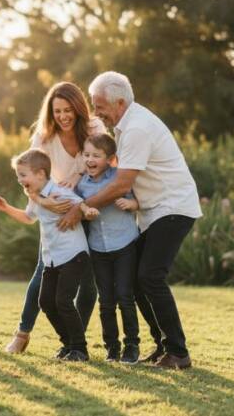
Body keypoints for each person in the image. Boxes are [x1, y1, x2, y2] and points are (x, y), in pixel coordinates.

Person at [58, 71, 202, 370]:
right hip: (156, 209)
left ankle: (178, 352)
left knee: (149, 276)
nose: (96, 112)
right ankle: (164, 346)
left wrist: (80, 207)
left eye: (99, 106)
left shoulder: (136, 128)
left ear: (119, 102)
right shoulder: (127, 124)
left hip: (172, 207)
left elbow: (121, 184)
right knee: (139, 278)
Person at [3, 82, 105, 354]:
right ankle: (22, 334)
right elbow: (28, 176)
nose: (63, 116)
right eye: (57, 111)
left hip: (89, 205)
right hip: (56, 207)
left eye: (68, 110)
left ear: (79, 109)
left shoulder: (94, 128)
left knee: (88, 281)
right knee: (42, 274)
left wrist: (76, 177)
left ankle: (76, 342)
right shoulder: (44, 137)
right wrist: (43, 201)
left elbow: (106, 162)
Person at [0, 149, 97, 361]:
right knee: (46, 302)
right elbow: (29, 218)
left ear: (40, 174)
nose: (19, 179)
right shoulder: (36, 197)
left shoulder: (58, 192)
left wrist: (86, 212)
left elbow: (79, 203)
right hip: (52, 258)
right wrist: (6, 208)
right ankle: (68, 344)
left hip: (73, 254)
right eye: (18, 175)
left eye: (23, 175)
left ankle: (79, 349)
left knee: (63, 301)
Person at [74, 133, 141, 364]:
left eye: (96, 155)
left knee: (124, 296)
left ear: (110, 159)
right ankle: (112, 347)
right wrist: (84, 210)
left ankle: (132, 345)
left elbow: (139, 200)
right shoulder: (81, 184)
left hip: (124, 245)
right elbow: (75, 207)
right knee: (106, 300)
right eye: (87, 154)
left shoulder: (118, 178)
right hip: (98, 249)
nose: (90, 159)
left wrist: (131, 203)